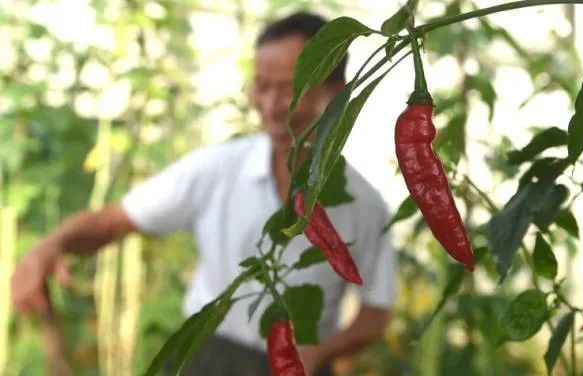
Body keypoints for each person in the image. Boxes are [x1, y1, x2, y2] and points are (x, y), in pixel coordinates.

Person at [11, 12, 396, 375]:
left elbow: (374, 313)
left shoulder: (365, 205)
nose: (271, 106)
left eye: (291, 90)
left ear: (337, 94)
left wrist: (321, 353)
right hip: (208, 358)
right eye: (261, 86)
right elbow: (114, 221)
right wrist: (51, 246)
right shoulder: (217, 169)